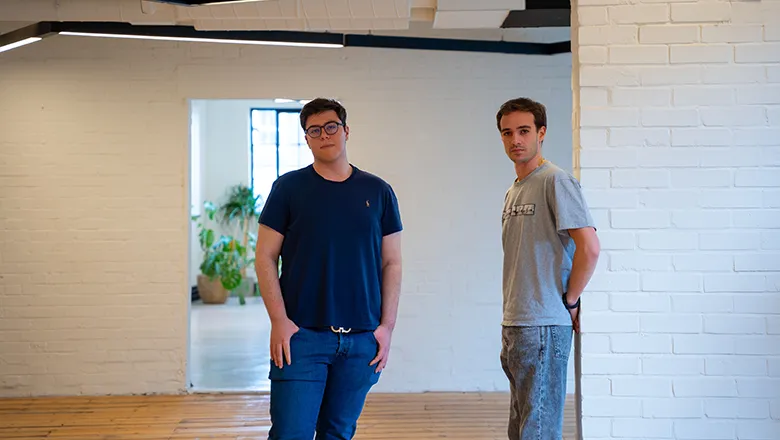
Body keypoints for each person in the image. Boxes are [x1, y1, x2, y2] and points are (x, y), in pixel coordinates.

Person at [254, 98, 403, 440]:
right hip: (302, 338)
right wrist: (279, 321)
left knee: (338, 433)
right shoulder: (288, 189)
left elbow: (392, 262)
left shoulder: (378, 191)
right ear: (307, 138)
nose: (324, 135)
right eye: (314, 130)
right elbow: (264, 257)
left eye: (331, 126)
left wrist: (386, 328)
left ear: (346, 130)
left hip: (361, 340)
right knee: (291, 433)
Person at [496, 97, 600, 439]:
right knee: (522, 429)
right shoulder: (515, 190)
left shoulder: (555, 181)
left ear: (541, 133)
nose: (516, 140)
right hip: (516, 323)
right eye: (507, 133)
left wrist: (570, 301)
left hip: (544, 324)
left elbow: (590, 247)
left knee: (538, 432)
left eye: (524, 131)